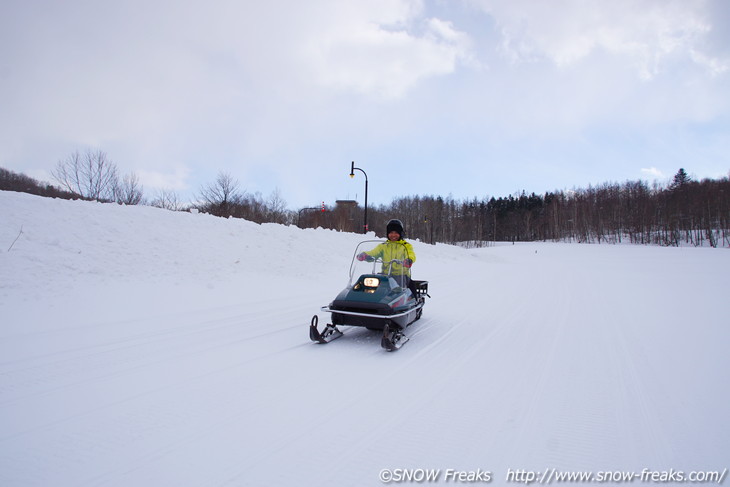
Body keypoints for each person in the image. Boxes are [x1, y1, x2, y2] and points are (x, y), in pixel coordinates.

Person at [357, 219, 418, 297]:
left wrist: (409, 260)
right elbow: (374, 252)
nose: (393, 235)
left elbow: (410, 254)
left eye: (396, 233)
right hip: (385, 276)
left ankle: (415, 304)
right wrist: (365, 255)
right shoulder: (383, 246)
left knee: (411, 289)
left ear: (401, 233)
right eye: (391, 232)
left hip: (401, 276)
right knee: (372, 289)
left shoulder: (406, 246)